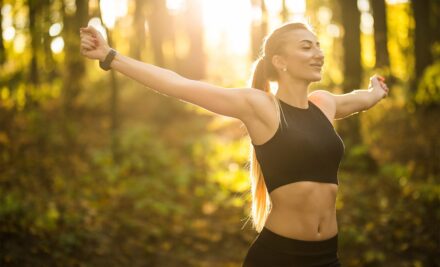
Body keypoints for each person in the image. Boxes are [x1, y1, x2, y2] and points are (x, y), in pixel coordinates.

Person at [80, 21, 389, 267]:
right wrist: (110, 57)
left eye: (318, 46)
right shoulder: (260, 106)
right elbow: (179, 84)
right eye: (307, 47)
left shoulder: (324, 105)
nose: (318, 53)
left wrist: (376, 90)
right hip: (280, 257)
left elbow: (362, 99)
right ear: (279, 61)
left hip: (327, 257)